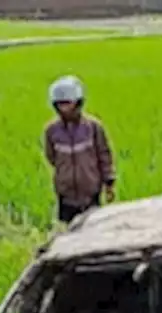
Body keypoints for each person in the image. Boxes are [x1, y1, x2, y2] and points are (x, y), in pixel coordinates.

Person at [43, 75, 116, 225]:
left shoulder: (93, 128)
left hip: (90, 192)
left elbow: (104, 155)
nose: (64, 108)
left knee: (93, 227)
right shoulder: (52, 131)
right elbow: (51, 157)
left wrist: (109, 183)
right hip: (66, 194)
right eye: (60, 104)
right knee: (70, 231)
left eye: (67, 103)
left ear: (78, 103)